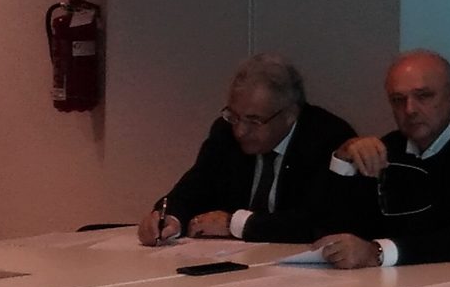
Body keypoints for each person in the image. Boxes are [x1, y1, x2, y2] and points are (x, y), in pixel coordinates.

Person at [308, 50, 450, 268]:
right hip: (388, 280)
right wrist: (343, 161)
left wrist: (377, 252)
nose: (409, 109)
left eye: (423, 96)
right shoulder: (387, 148)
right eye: (398, 100)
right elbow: (333, 231)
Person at [141, 54, 354, 246]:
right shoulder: (224, 132)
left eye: (254, 121)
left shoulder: (327, 138)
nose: (240, 131)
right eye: (234, 116)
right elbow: (193, 189)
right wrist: (169, 218)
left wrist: (235, 224)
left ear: (290, 114)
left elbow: (319, 223)